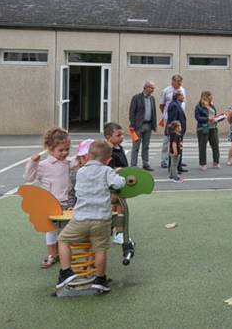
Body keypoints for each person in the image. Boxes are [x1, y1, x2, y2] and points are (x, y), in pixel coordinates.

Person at [55, 140, 126, 292]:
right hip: (101, 219)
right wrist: (121, 177)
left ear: (87, 156)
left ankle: (66, 271)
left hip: (81, 218)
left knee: (63, 239)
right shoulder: (107, 171)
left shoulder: (81, 172)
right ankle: (100, 279)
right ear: (108, 160)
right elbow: (119, 184)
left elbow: (78, 189)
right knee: (100, 249)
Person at [24, 127, 78, 268]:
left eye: (67, 149)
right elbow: (29, 178)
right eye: (61, 150)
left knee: (65, 230)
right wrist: (33, 162)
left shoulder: (67, 162)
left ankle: (63, 253)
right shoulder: (43, 165)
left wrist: (81, 157)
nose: (64, 153)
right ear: (50, 148)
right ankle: (51, 255)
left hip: (67, 201)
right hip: (51, 203)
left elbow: (76, 163)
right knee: (51, 230)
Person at [128, 80, 157, 171]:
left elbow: (154, 112)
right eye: (151, 88)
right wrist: (132, 124)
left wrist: (154, 125)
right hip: (138, 126)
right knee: (136, 146)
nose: (153, 90)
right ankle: (133, 165)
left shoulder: (152, 99)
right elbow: (132, 112)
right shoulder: (136, 98)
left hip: (148, 125)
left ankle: (145, 163)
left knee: (146, 146)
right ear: (145, 87)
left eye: (153, 88)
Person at [159, 75, 186, 169]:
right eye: (178, 81)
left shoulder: (182, 89)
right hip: (170, 118)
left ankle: (178, 161)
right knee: (168, 140)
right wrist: (165, 116)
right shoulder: (166, 90)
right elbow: (161, 105)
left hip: (180, 117)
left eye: (180, 82)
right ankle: (164, 160)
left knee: (179, 140)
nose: (179, 83)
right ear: (173, 81)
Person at [195, 91, 220, 170]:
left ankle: (216, 162)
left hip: (213, 127)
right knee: (202, 146)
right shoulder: (199, 106)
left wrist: (218, 118)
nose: (212, 97)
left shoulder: (211, 105)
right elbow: (197, 117)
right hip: (203, 127)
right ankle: (203, 164)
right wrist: (207, 119)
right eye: (211, 96)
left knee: (215, 145)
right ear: (206, 96)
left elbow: (214, 115)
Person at [166, 91, 187, 174]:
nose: (183, 97)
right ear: (178, 96)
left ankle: (178, 166)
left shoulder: (177, 104)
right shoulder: (174, 105)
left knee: (179, 148)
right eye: (182, 95)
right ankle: (173, 169)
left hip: (179, 131)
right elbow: (173, 120)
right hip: (176, 132)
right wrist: (174, 131)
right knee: (174, 150)